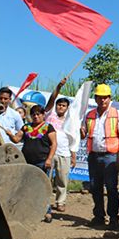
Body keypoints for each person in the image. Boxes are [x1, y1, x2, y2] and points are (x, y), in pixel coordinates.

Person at [80, 84, 119, 230]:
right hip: (94, 156)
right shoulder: (90, 115)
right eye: (100, 97)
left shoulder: (116, 114)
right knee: (95, 187)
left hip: (110, 157)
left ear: (110, 98)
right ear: (95, 98)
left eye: (105, 97)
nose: (102, 100)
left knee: (112, 188)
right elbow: (84, 134)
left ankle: (113, 218)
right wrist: (81, 131)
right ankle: (99, 216)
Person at [4, 104, 57, 222]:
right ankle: (29, 212)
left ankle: (46, 212)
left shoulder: (49, 127)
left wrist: (49, 159)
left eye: (38, 114)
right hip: (27, 162)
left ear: (43, 115)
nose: (36, 116)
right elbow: (17, 139)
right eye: (33, 114)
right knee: (26, 187)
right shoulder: (26, 127)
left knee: (43, 187)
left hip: (42, 161)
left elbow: (54, 144)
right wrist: (10, 134)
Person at [45, 78, 76, 213]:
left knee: (62, 180)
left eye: (63, 106)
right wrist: (58, 87)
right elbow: (52, 99)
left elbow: (73, 139)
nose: (60, 107)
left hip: (65, 153)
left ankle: (60, 202)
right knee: (46, 180)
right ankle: (43, 202)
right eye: (59, 105)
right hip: (50, 153)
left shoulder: (70, 121)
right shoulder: (49, 115)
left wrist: (73, 156)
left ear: (67, 108)